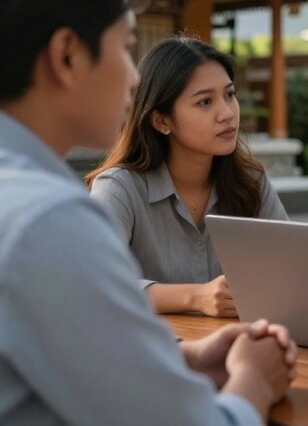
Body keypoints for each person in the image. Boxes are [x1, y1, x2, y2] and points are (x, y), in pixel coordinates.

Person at [0, 0, 296, 424]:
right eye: (123, 46)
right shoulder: (50, 220)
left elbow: (73, 347)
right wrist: (254, 378)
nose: (133, 78)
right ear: (67, 54)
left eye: (227, 96)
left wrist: (188, 355)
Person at [87, 37, 288, 317]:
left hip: (239, 348)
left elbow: (291, 270)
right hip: (151, 352)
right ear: (162, 121)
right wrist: (196, 297)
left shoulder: (250, 181)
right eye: (205, 102)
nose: (228, 113)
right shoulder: (119, 188)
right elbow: (93, 283)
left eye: (230, 94)